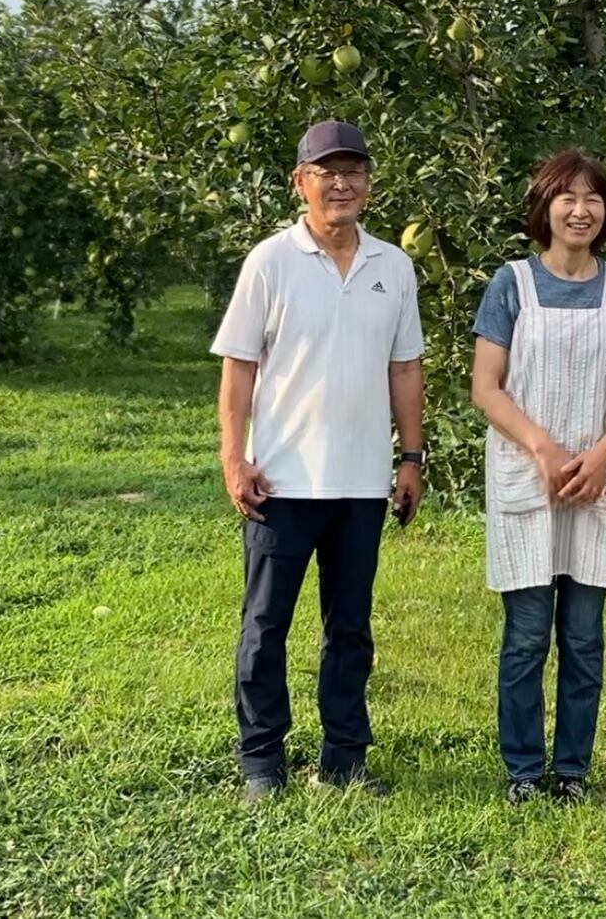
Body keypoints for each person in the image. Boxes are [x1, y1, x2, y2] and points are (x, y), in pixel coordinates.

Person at [211, 120, 426, 802]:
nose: (342, 183)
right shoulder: (271, 261)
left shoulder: (393, 266)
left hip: (361, 481)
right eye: (327, 172)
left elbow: (405, 368)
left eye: (353, 171)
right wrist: (234, 459)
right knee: (265, 626)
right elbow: (239, 368)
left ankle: (343, 757)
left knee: (350, 628)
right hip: (280, 479)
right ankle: (261, 761)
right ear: (300, 182)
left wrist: (411, 457)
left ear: (369, 183)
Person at [471, 149, 606, 805]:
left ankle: (572, 770)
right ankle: (523, 770)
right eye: (567, 198)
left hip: (596, 479)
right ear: (544, 208)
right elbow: (486, 387)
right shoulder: (511, 284)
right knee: (526, 639)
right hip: (529, 475)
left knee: (583, 638)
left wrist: (600, 455)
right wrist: (545, 450)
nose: (581, 210)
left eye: (593, 198)